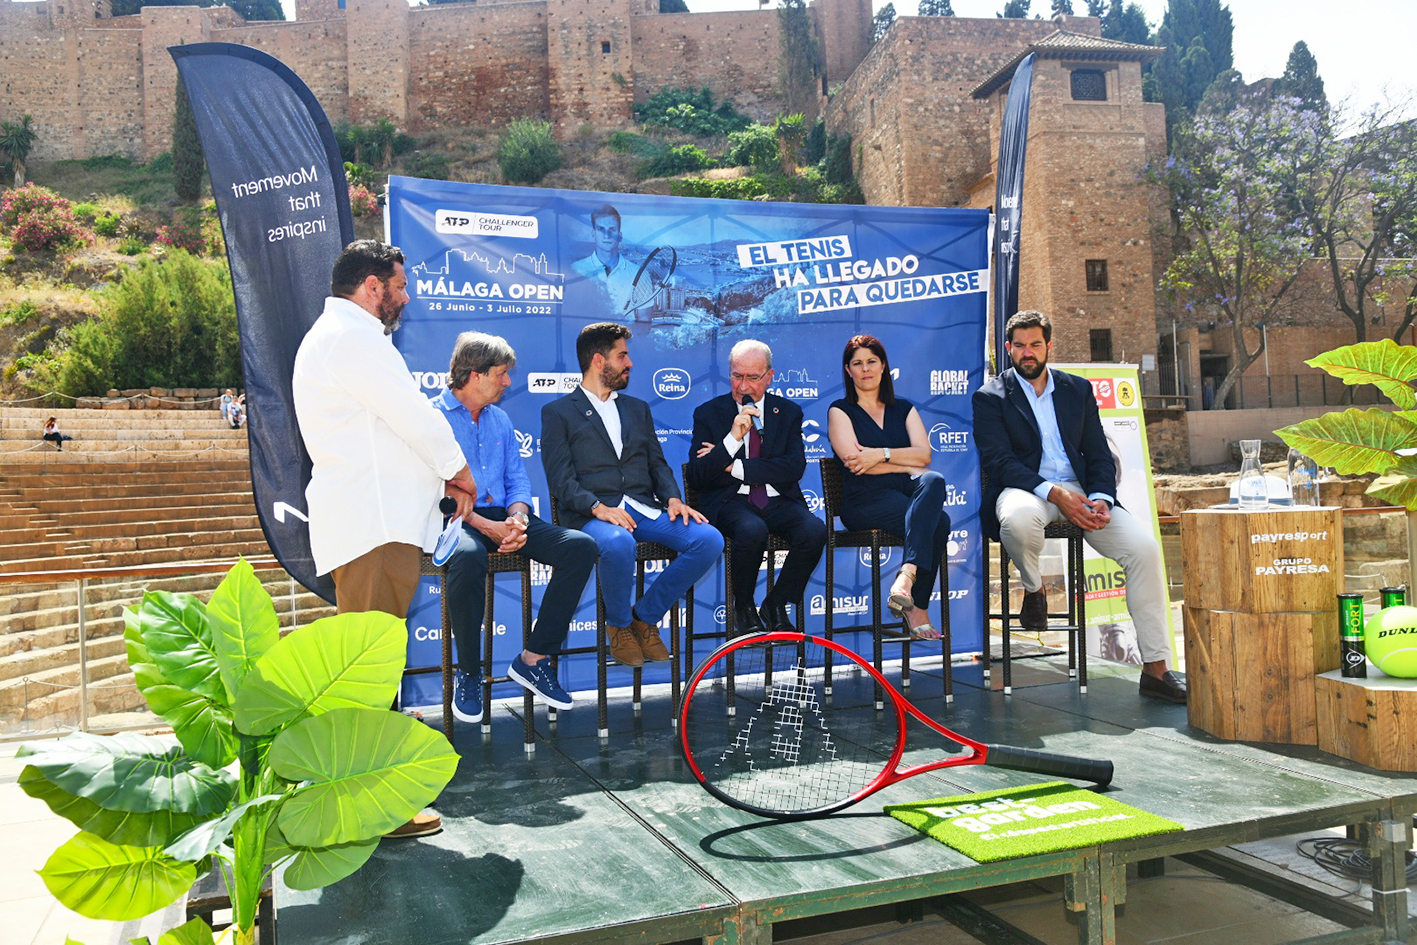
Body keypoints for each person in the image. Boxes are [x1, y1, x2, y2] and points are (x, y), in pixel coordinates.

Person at [292, 239, 478, 838]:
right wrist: (457, 466)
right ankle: (371, 807)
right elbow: (410, 414)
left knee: (368, 667)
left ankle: (363, 800)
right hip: (373, 528)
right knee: (369, 673)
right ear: (371, 287)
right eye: (398, 285)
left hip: (374, 526)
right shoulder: (352, 338)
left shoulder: (340, 337)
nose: (405, 296)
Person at [972, 310, 1186, 703]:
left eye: (1035, 344)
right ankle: (1034, 591)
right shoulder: (990, 397)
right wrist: (1056, 494)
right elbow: (999, 462)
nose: (1027, 352)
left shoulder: (1077, 390)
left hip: (1082, 492)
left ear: (1049, 346)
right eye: (1019, 345)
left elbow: (1099, 455)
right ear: (1008, 349)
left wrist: (1102, 500)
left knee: (1145, 550)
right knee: (1017, 519)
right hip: (1026, 488)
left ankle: (1156, 670)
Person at [432, 331, 597, 723]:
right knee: (469, 557)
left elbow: (517, 481)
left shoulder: (500, 419)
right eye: (502, 374)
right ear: (475, 375)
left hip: (505, 516)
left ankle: (533, 658)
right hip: (456, 521)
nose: (508, 382)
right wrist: (482, 526)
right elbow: (433, 488)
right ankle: (470, 673)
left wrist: (518, 519)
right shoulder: (431, 418)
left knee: (580, 546)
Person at [541, 322, 723, 667]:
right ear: (599, 361)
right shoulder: (558, 413)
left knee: (709, 540)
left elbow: (657, 463)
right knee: (618, 541)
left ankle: (645, 616)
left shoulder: (638, 408)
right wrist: (598, 507)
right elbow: (560, 481)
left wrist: (672, 498)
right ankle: (619, 626)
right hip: (591, 516)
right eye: (622, 355)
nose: (630, 363)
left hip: (643, 508)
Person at [686, 339, 825, 634]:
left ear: (769, 376)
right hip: (730, 501)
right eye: (737, 376)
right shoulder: (708, 413)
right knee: (752, 529)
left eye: (752, 377)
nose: (743, 386)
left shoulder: (787, 412)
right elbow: (698, 475)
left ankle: (776, 602)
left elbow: (792, 468)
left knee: (814, 530)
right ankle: (744, 606)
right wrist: (732, 439)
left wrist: (732, 464)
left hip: (778, 499)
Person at [826, 335, 949, 641]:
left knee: (933, 480)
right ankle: (917, 607)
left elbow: (925, 456)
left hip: (903, 496)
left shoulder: (903, 408)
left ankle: (906, 577)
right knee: (940, 523)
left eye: (871, 361)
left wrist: (879, 454)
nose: (865, 369)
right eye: (857, 363)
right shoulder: (839, 411)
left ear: (883, 366)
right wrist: (906, 464)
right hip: (863, 501)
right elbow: (855, 463)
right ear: (848, 370)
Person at [570, 204, 635, 316]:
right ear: (593, 234)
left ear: (620, 236)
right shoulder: (575, 270)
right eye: (601, 229)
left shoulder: (638, 273)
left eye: (612, 229)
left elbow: (644, 325)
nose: (606, 235)